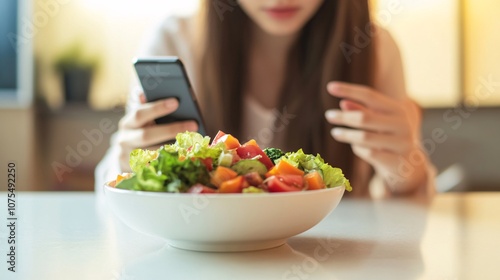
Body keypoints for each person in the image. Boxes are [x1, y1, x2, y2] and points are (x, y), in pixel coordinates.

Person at [96, 0, 435, 197]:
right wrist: (127, 167)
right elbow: (109, 196)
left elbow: (405, 216)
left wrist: (407, 169)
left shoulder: (373, 48)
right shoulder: (172, 41)